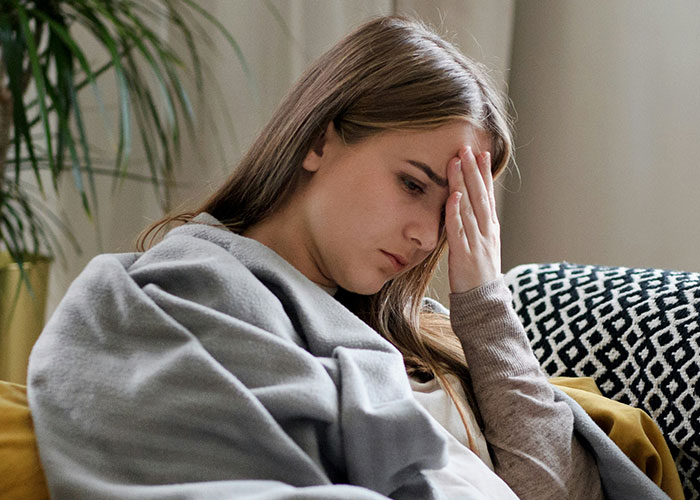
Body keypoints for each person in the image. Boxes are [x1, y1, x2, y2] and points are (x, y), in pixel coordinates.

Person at [27, 14, 669, 500]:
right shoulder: (186, 290)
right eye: (412, 184)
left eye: (450, 211)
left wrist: (485, 304)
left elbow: (556, 490)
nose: (425, 236)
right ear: (318, 140)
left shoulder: (422, 334)